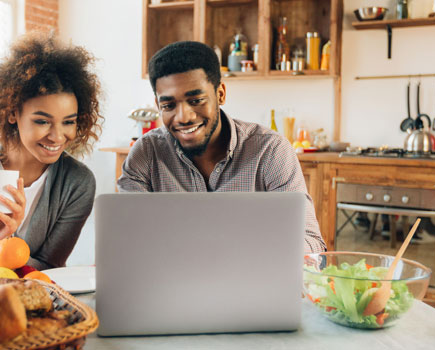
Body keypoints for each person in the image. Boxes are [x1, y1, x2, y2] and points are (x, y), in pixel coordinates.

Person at [118, 41, 325, 252]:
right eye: (169, 106)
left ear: (221, 94)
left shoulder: (270, 151)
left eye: (196, 100)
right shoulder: (146, 153)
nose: (184, 117)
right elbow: (129, 240)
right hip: (172, 281)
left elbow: (311, 244)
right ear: (158, 105)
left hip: (252, 279)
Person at [0, 33, 103, 284]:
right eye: (42, 121)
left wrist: (6, 241)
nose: (58, 136)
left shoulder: (77, 182)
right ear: (12, 113)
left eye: (68, 122)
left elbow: (49, 269)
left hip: (33, 298)